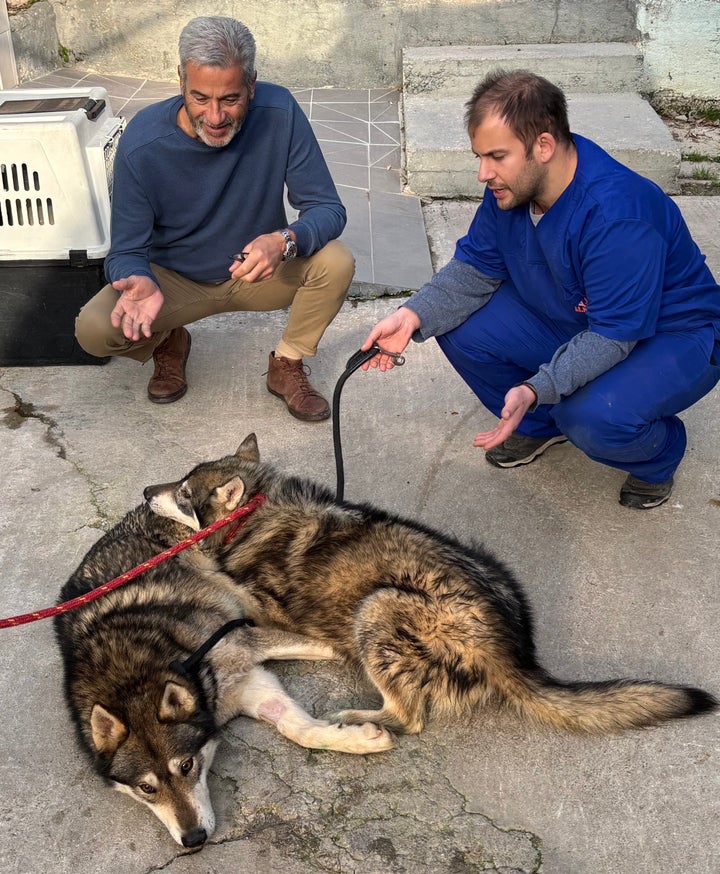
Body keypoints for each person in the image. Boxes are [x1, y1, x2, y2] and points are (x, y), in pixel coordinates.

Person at [363, 70, 720, 509]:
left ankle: (658, 457)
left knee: (591, 415)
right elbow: (476, 267)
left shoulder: (617, 215)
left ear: (544, 146)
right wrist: (413, 313)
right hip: (580, 313)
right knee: (454, 321)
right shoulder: (514, 188)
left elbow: (613, 335)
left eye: (496, 156)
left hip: (672, 335)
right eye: (480, 156)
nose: (483, 173)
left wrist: (538, 386)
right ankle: (540, 427)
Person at [75, 15, 354, 421]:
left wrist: (283, 241)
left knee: (336, 261)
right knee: (94, 329)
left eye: (230, 99)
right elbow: (126, 251)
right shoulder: (143, 142)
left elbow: (328, 208)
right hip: (172, 281)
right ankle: (168, 341)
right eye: (200, 97)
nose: (216, 116)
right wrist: (140, 279)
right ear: (180, 81)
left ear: (252, 85)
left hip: (255, 273)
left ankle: (286, 363)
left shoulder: (280, 111)